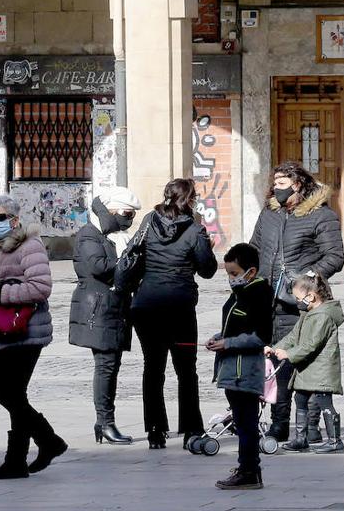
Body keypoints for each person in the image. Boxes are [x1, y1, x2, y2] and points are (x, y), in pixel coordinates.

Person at [0, 194, 68, 479]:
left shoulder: (29, 245)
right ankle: (19, 459)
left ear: (13, 219)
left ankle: (47, 442)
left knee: (7, 393)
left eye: (0, 218)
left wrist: (3, 293)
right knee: (10, 394)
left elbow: (41, 287)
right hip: (4, 330)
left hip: (28, 329)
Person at [250, 161, 344, 443]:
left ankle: (310, 428)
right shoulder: (269, 213)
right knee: (276, 361)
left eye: (281, 183)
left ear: (297, 184)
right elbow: (254, 248)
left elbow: (335, 257)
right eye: (274, 183)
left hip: (301, 303)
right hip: (268, 301)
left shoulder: (321, 215)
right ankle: (279, 424)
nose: (275, 188)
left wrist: (307, 279)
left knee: (305, 364)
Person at [127, 178, 217, 449]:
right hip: (179, 307)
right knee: (186, 370)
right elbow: (208, 270)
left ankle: (155, 430)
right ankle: (191, 428)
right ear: (189, 200)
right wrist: (207, 247)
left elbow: (133, 253)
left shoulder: (148, 221)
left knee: (152, 368)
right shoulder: (195, 229)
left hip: (146, 305)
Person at [69, 187, 141, 444]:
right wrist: (129, 262)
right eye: (125, 213)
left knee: (111, 366)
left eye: (132, 214)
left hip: (113, 307)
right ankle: (105, 422)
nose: (128, 219)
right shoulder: (90, 234)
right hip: (97, 309)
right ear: (110, 210)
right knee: (106, 367)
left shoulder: (112, 236)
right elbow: (98, 267)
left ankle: (105, 422)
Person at [206, 243, 273, 490]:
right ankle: (247, 468)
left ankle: (249, 470)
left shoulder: (258, 293)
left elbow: (261, 336)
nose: (231, 279)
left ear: (251, 271)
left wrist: (228, 343)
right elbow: (234, 328)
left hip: (244, 370)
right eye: (229, 274)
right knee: (242, 421)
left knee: (246, 423)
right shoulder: (241, 293)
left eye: (235, 273)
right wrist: (218, 338)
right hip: (232, 367)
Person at [266, 271, 344, 454]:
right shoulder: (308, 313)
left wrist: (288, 354)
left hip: (321, 369)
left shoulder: (323, 316)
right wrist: (275, 348)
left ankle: (335, 441)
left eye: (298, 298)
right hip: (307, 368)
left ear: (311, 296)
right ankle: (301, 438)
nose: (297, 302)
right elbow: (294, 336)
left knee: (325, 403)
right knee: (300, 398)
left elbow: (311, 344)